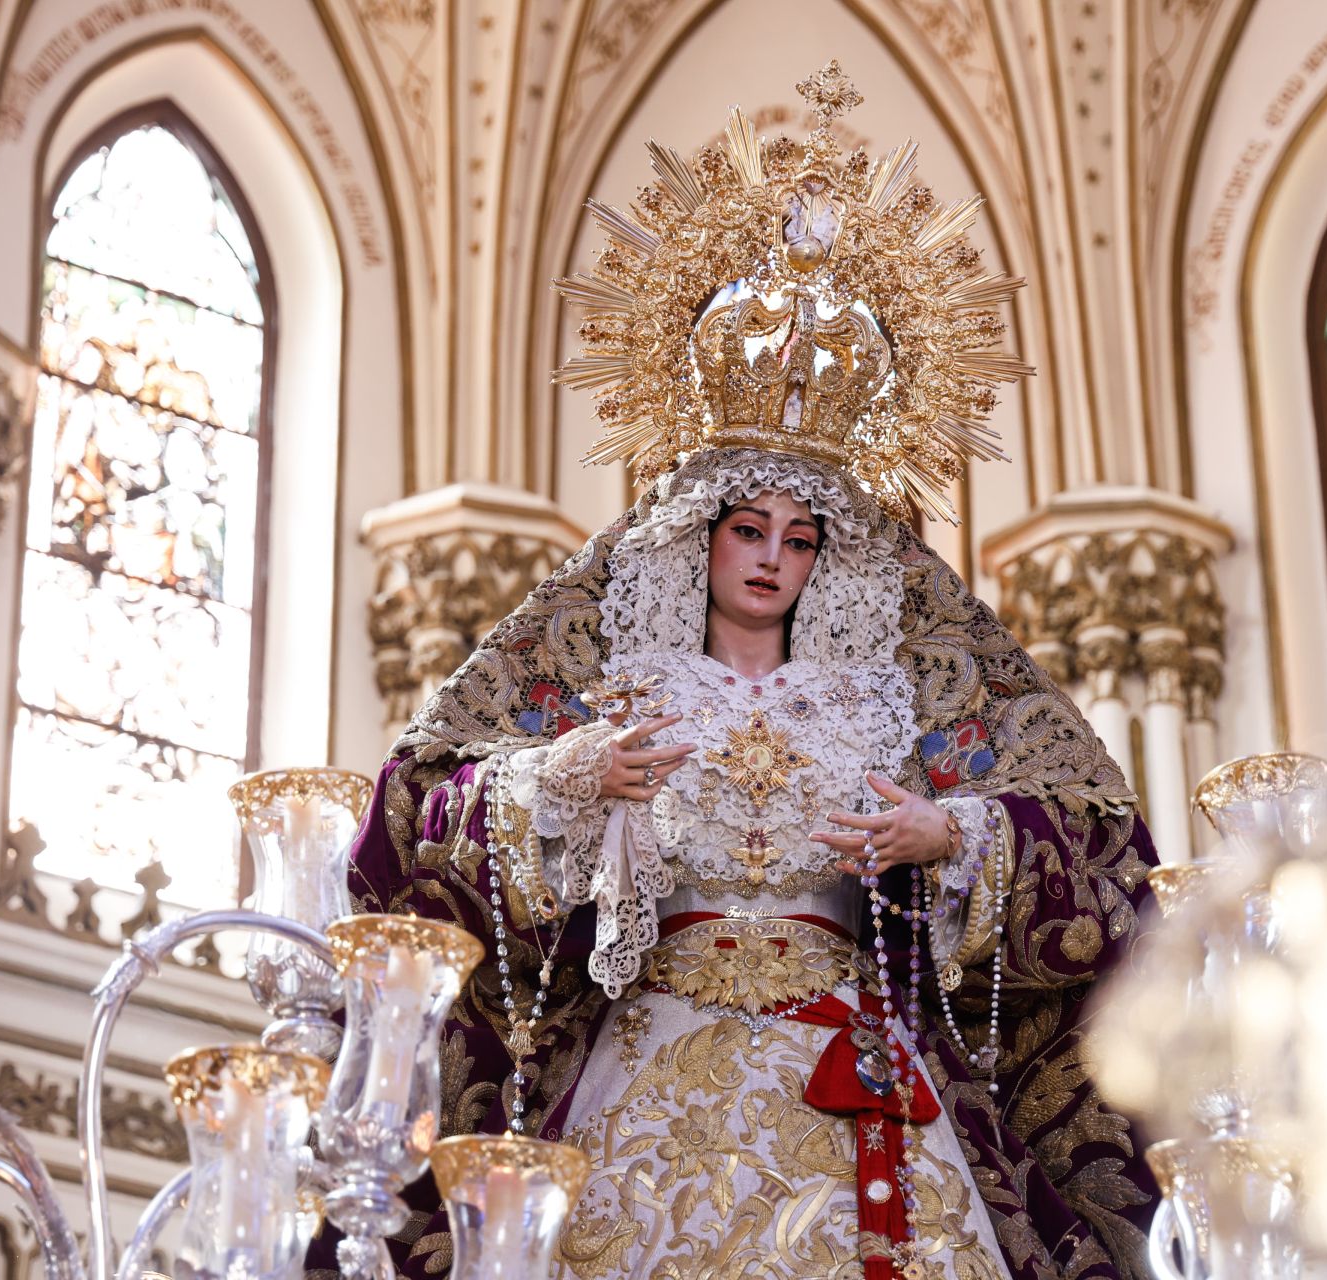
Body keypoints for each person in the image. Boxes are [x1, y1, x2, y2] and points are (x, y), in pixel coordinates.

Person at [333, 64, 1160, 1280]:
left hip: (862, 1070)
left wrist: (957, 834)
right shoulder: (606, 667)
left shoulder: (901, 689)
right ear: (700, 533)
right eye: (747, 529)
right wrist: (563, 783)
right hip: (651, 1049)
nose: (773, 558)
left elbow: (1100, 848)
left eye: (802, 536)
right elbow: (413, 816)